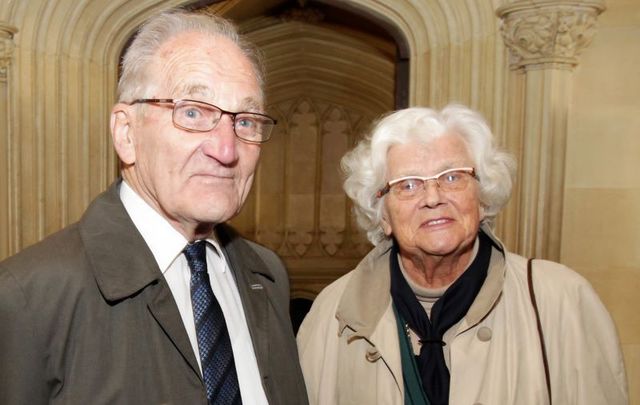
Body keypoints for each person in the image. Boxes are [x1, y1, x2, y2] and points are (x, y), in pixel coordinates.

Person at [0, 10, 308, 405]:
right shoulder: (28, 297)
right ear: (127, 133)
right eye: (193, 112)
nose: (227, 149)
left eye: (245, 121)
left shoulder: (266, 275)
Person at [297, 105, 628, 405]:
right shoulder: (333, 314)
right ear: (382, 215)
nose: (432, 197)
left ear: (483, 197)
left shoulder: (561, 300)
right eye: (408, 184)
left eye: (452, 177)